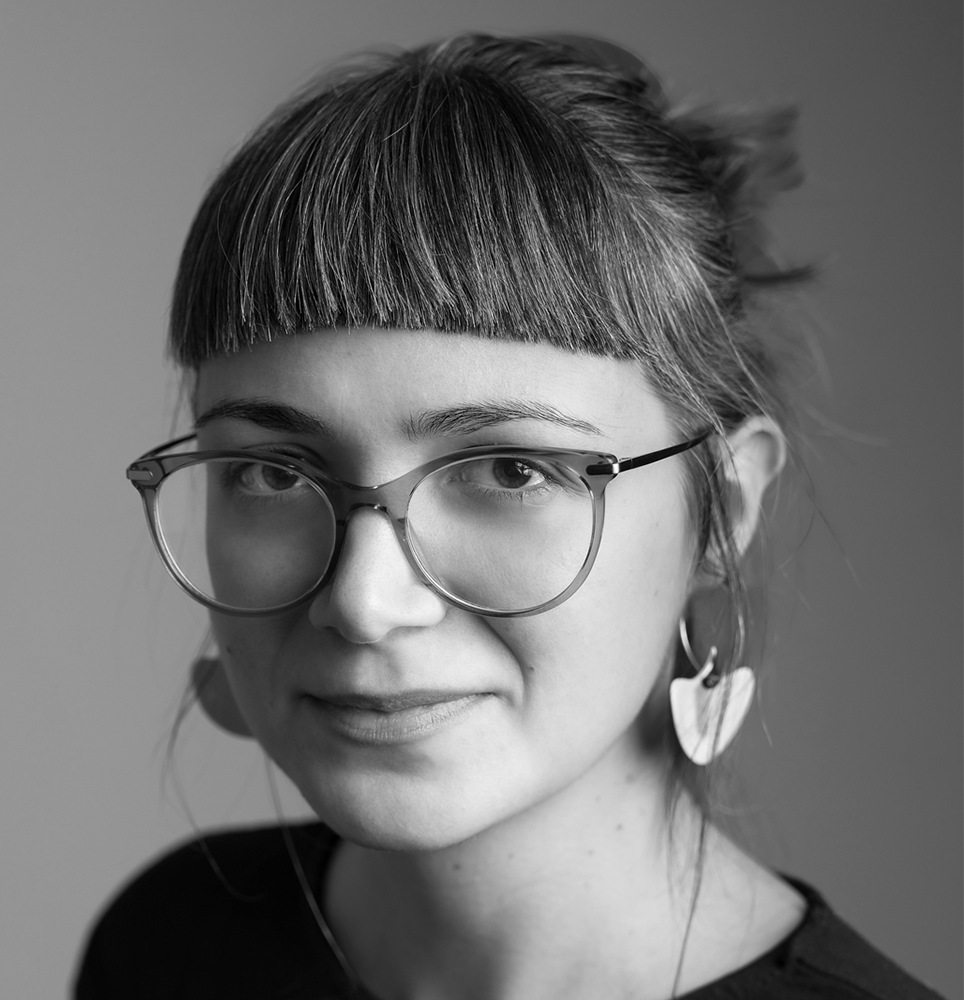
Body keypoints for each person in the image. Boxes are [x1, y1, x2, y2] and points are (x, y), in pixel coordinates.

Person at [75, 33, 941, 1000]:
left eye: (510, 469)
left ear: (721, 508)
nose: (364, 601)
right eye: (273, 473)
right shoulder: (167, 947)